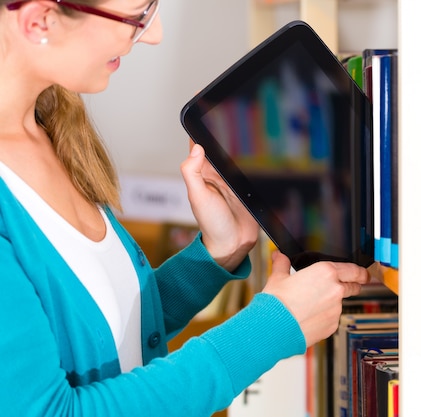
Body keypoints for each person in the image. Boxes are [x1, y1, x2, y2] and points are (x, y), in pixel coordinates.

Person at [0, 0, 370, 415]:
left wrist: (214, 254)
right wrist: (271, 328)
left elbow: (103, 336)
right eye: (138, 15)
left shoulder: (49, 127)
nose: (154, 34)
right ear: (39, 21)